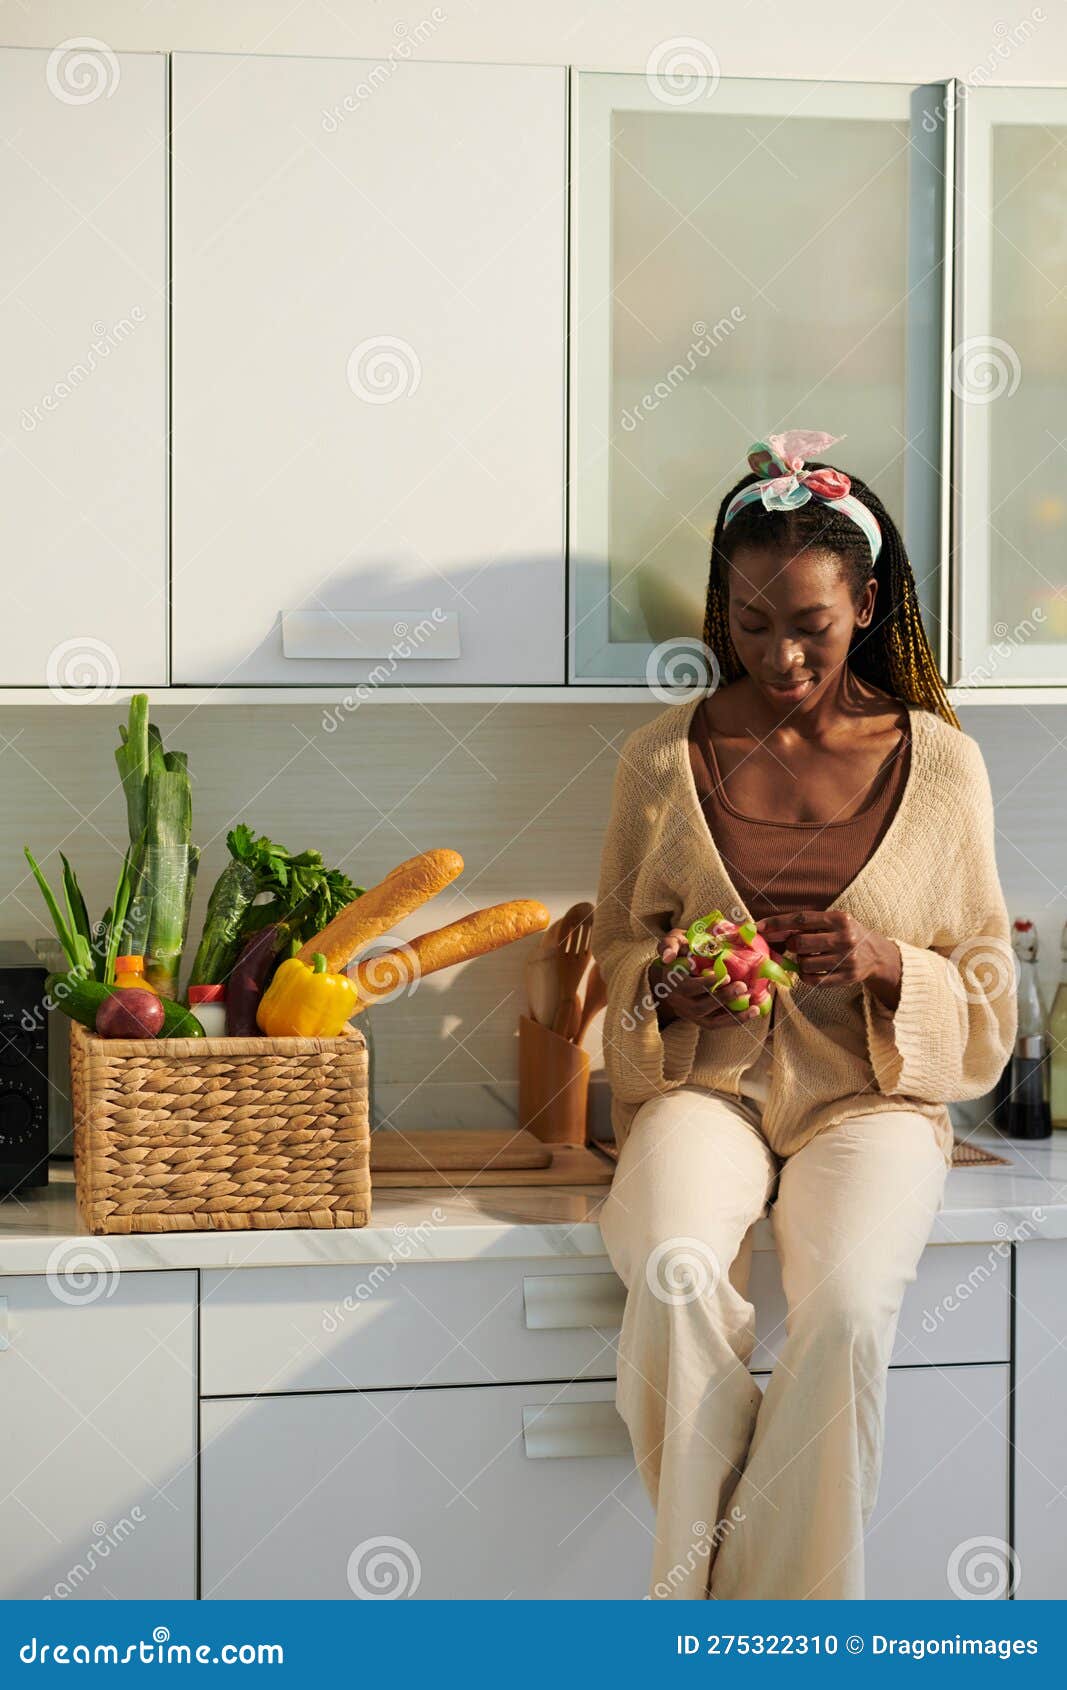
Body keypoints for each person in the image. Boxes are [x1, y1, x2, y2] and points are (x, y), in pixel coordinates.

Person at [591, 430, 1016, 1601]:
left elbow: (983, 979)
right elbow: (621, 945)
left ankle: (731, 1621)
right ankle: (751, 1615)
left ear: (866, 604)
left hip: (868, 1102)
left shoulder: (940, 765)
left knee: (837, 1313)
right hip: (705, 1089)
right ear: (720, 609)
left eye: (810, 626)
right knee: (672, 1264)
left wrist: (888, 961)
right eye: (749, 621)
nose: (778, 654)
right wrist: (672, 980)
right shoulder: (656, 760)